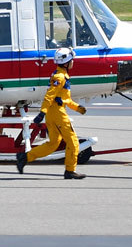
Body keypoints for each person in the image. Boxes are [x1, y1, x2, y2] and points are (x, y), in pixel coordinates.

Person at [15, 47, 87, 179]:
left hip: (53, 113)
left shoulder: (60, 75)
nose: (73, 62)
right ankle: (70, 171)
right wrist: (42, 112)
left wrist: (77, 108)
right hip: (58, 114)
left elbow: (64, 99)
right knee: (73, 142)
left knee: (54, 143)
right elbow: (50, 95)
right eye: (72, 60)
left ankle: (25, 157)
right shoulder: (60, 77)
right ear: (66, 63)